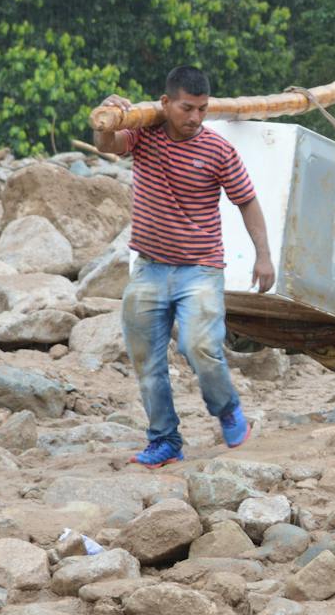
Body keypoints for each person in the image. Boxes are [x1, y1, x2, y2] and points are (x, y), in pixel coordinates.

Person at [96, 66, 276, 467]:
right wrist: (107, 115)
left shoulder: (218, 150)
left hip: (200, 268)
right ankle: (164, 440)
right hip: (149, 268)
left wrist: (263, 256)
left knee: (201, 347)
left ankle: (227, 408)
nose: (195, 117)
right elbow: (107, 144)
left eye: (202, 109)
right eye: (187, 108)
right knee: (148, 363)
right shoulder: (143, 135)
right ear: (165, 104)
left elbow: (246, 201)